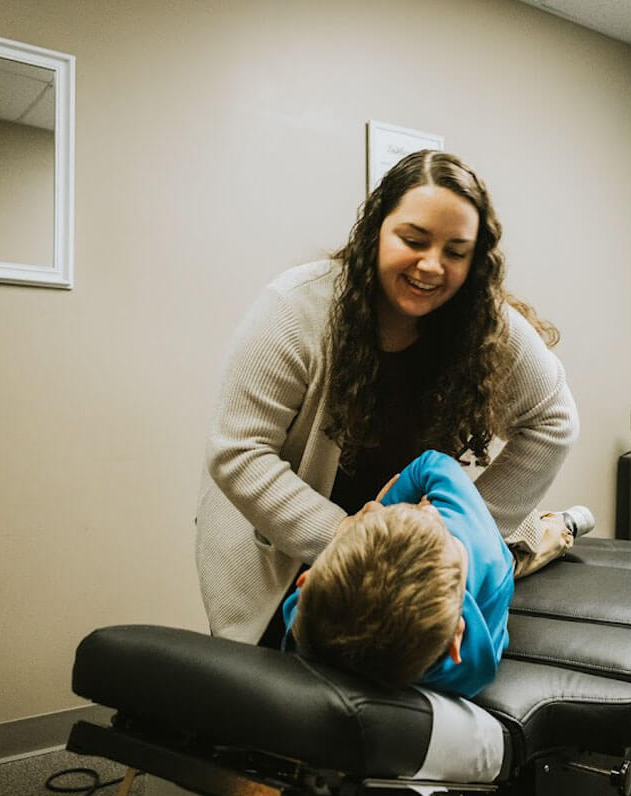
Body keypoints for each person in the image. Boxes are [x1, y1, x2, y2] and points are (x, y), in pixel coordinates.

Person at [195, 149, 580, 647]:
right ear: (376, 230)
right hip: (283, 556)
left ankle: (552, 531)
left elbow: (554, 420)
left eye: (456, 252)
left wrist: (459, 535)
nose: (431, 265)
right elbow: (237, 452)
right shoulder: (295, 310)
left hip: (404, 560)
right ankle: (548, 531)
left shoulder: (483, 322)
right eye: (413, 240)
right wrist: (345, 538)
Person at [283, 450, 593, 697]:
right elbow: (433, 463)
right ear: (458, 636)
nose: (431, 510)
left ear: (305, 583)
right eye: (436, 522)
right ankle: (564, 526)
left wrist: (375, 518)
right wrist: (391, 506)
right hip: (496, 558)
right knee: (525, 544)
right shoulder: (476, 658)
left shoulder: (305, 621)